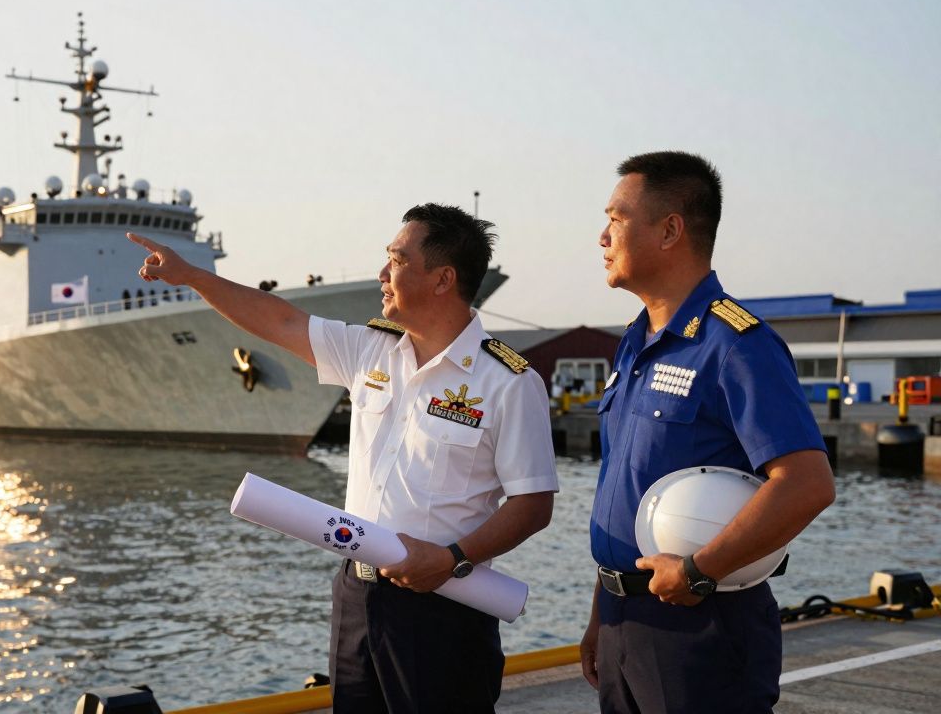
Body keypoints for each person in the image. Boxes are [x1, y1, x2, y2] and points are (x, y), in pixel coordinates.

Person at [128, 203, 558, 713]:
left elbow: (533, 503)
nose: (382, 274)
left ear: (443, 279)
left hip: (447, 604)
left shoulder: (507, 381)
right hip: (357, 596)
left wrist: (450, 558)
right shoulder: (370, 350)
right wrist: (192, 276)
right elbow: (281, 320)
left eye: (396, 260)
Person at [580, 151, 836, 713]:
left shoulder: (737, 344)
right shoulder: (634, 343)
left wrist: (699, 571)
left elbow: (807, 483)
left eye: (617, 218)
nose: (602, 236)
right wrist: (604, 614)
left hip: (701, 624)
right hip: (627, 621)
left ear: (670, 229)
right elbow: (627, 488)